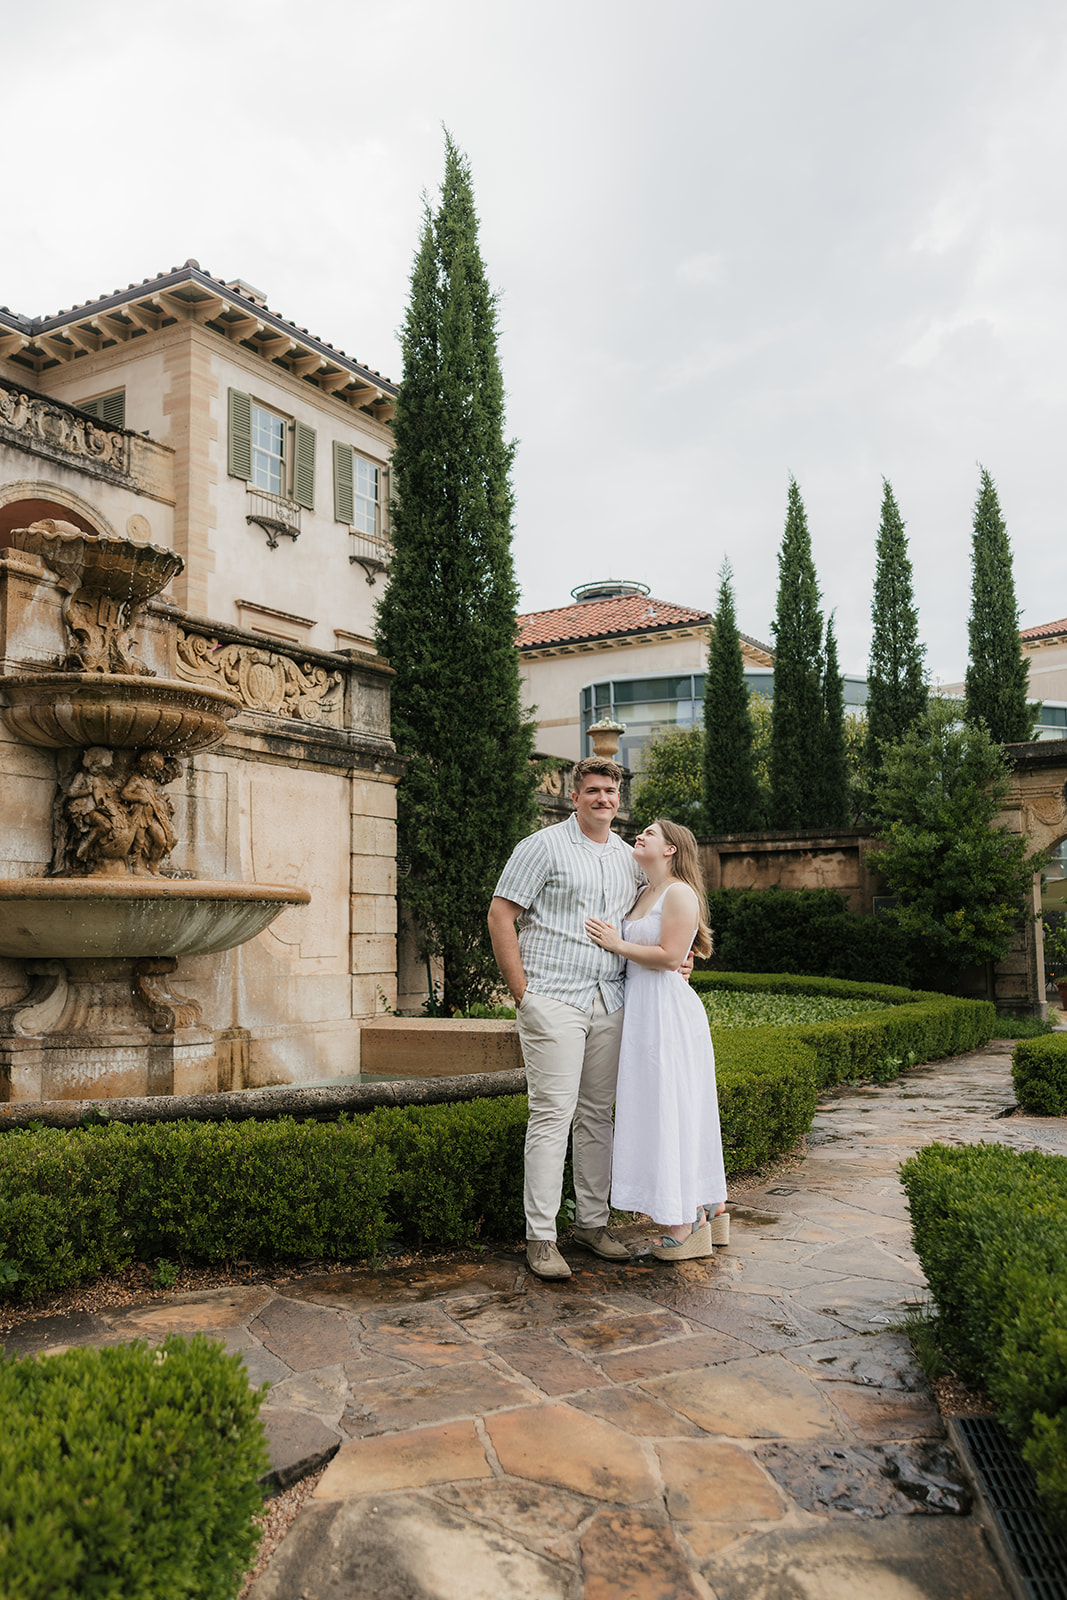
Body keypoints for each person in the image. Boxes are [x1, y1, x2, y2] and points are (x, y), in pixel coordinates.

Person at [488, 757, 642, 1280]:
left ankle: (593, 1226)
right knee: (552, 1115)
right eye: (594, 790)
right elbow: (500, 913)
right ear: (574, 797)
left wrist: (683, 952)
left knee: (598, 1115)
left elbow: (647, 921)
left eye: (611, 791)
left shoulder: (628, 858)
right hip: (554, 998)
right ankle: (541, 1237)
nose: (604, 799)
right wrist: (522, 992)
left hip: (610, 999)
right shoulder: (541, 847)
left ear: (620, 799)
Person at [586, 818, 727, 1261]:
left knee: (670, 1109)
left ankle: (683, 1226)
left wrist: (616, 943)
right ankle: (710, 1208)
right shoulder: (642, 891)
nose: (639, 836)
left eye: (650, 833)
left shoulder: (679, 891)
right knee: (664, 1108)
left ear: (670, 849)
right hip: (643, 1012)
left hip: (667, 1014)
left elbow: (669, 957)